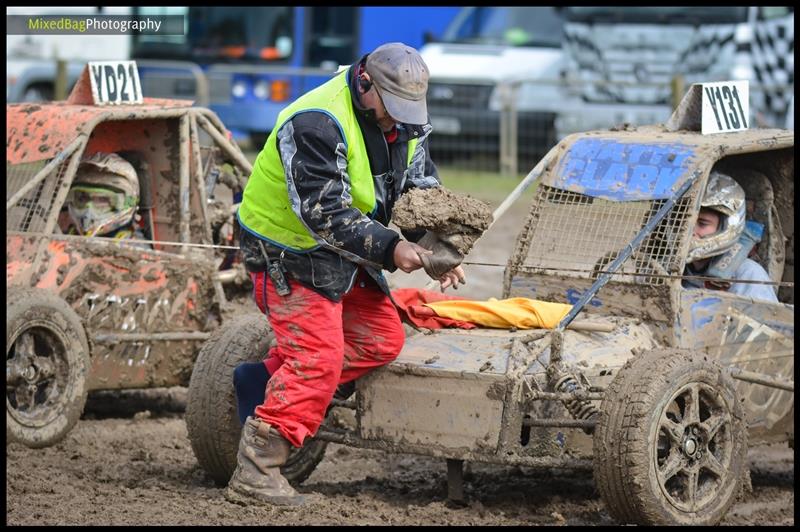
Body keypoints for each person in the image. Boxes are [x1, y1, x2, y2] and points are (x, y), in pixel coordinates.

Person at [230, 42, 465, 506]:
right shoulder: (316, 120)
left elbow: (417, 189)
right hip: (287, 248)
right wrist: (393, 248)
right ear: (364, 83)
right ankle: (257, 472)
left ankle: (263, 384)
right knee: (317, 359)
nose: (397, 119)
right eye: (390, 107)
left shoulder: (406, 124)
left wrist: (435, 244)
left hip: (342, 250)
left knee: (381, 340)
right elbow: (325, 213)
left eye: (405, 110)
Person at [683, 170, 778, 303]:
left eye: (702, 224)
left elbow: (765, 322)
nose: (690, 231)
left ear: (726, 226)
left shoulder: (748, 275)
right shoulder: (669, 267)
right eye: (683, 223)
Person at [60, 152, 146, 241]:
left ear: (129, 202)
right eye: (82, 198)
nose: (88, 211)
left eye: (102, 199)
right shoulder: (57, 238)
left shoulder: (135, 251)